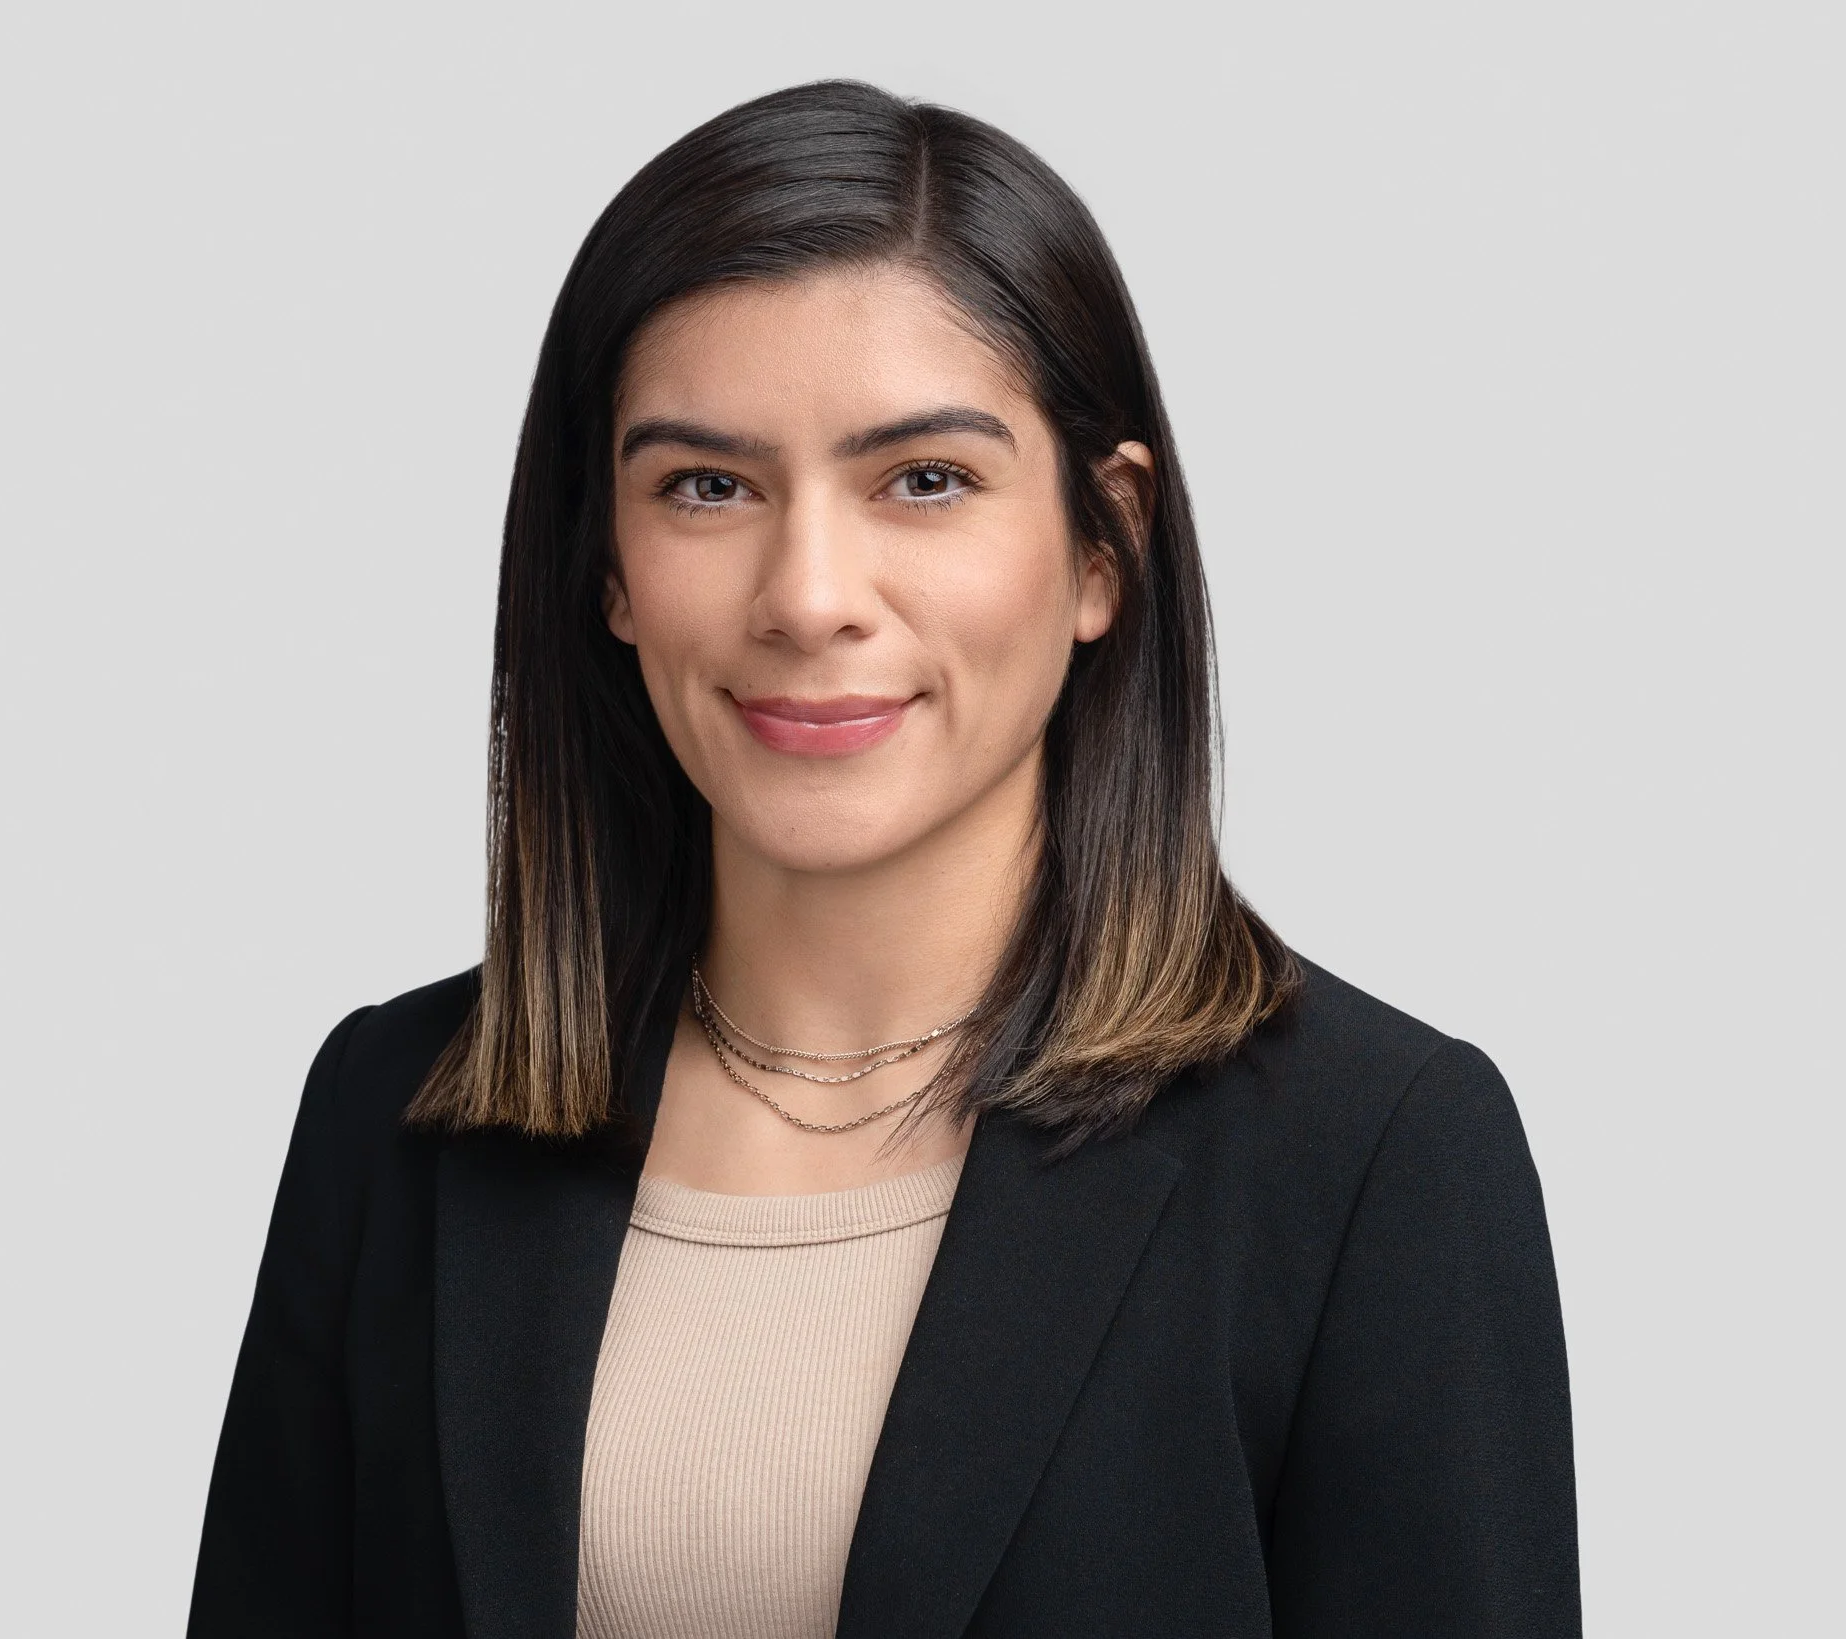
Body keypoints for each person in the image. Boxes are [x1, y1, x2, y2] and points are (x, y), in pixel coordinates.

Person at [187, 80, 1579, 1638]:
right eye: (706, 486)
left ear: (1103, 546)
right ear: (609, 568)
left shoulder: (1371, 1157)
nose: (810, 594)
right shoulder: (395, 1116)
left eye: (925, 479)